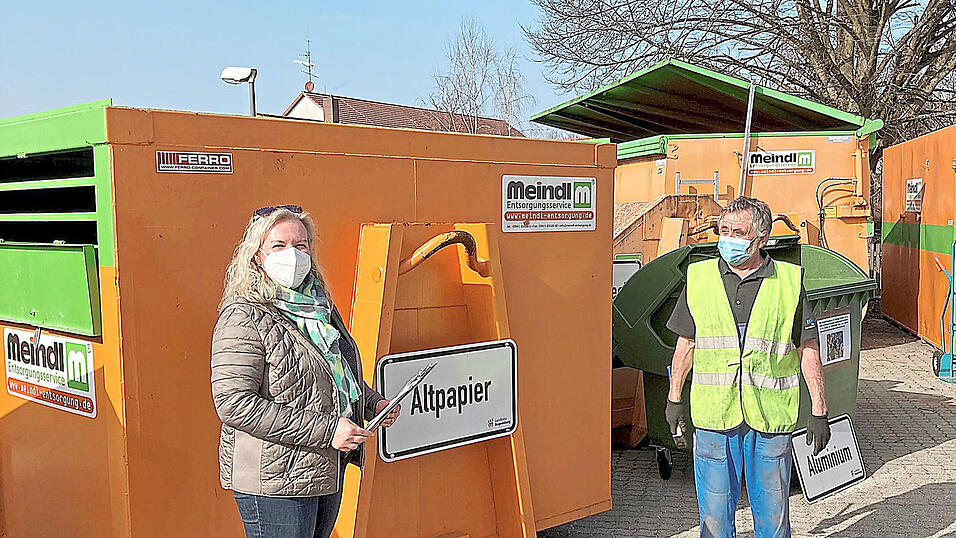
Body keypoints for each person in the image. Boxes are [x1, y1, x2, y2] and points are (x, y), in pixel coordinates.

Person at [211, 205, 401, 538]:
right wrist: (329, 430)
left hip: (323, 468)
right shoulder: (243, 316)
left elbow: (334, 373)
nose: (293, 254)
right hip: (274, 481)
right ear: (256, 256)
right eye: (278, 246)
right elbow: (234, 403)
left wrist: (371, 403)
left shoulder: (318, 306)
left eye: (301, 245)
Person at [664, 197, 831, 538]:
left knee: (772, 517)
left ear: (762, 238)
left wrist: (819, 409)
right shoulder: (698, 279)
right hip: (715, 418)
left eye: (737, 232)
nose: (727, 239)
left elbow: (807, 347)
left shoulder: (788, 282)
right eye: (723, 230)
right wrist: (674, 397)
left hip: (769, 419)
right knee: (713, 518)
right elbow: (687, 343)